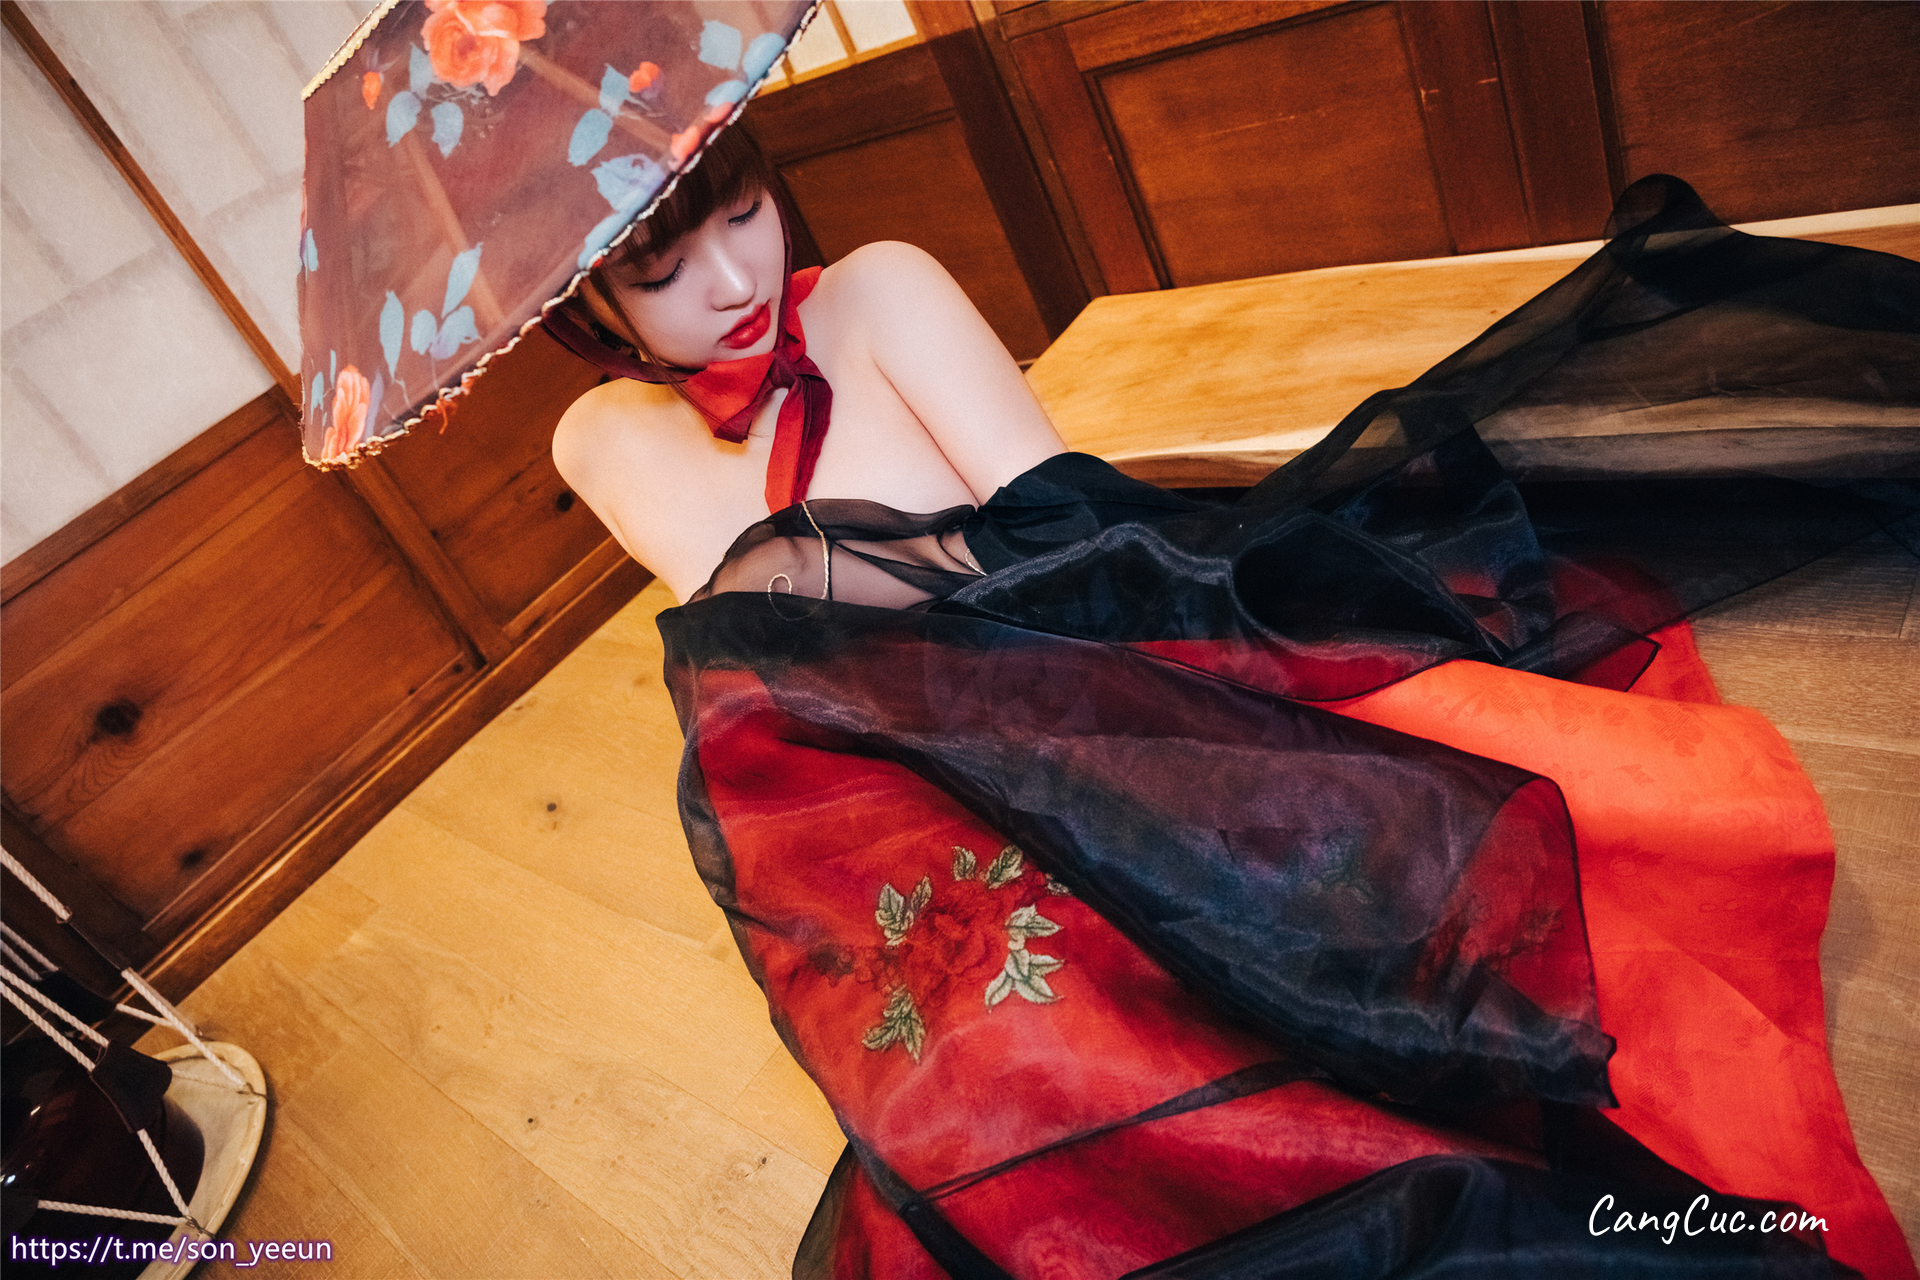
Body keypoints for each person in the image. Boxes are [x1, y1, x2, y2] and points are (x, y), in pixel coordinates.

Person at [546, 128, 1918, 1278]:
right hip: (916, 819)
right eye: (659, 270)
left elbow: (1076, 533)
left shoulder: (873, 293)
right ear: (584, 305)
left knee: (1299, 1022)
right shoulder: (608, 437)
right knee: (1008, 1091)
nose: (735, 278)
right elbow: (781, 691)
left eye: (743, 208)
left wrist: (849, 575)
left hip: (1097, 686)